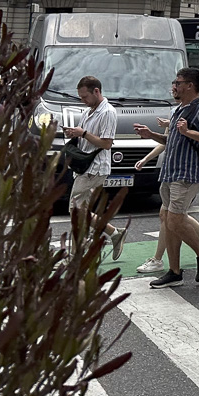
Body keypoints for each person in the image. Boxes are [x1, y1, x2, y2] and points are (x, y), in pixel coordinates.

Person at [133, 67, 199, 288]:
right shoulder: (179, 110)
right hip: (170, 173)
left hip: (186, 174)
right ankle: (174, 272)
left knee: (175, 219)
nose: (173, 86)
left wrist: (188, 132)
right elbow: (171, 140)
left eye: (177, 83)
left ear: (190, 86)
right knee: (167, 219)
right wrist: (150, 134)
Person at [61, 75, 128, 259]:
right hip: (85, 167)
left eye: (85, 96)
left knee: (76, 210)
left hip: (95, 167)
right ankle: (110, 235)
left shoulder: (107, 112)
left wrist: (83, 133)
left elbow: (106, 143)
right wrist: (74, 133)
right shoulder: (88, 111)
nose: (83, 100)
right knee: (79, 211)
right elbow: (85, 135)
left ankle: (79, 253)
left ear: (96, 91)